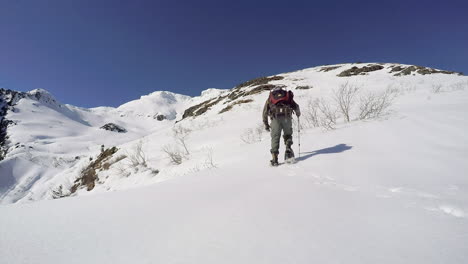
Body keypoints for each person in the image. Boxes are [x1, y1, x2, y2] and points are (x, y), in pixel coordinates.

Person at [262, 87, 300, 166]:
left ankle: (274, 158)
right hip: (287, 117)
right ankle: (288, 149)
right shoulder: (287, 96)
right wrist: (298, 113)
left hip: (275, 119)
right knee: (288, 134)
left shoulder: (270, 98)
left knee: (275, 137)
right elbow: (296, 106)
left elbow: (265, 112)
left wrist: (266, 124)